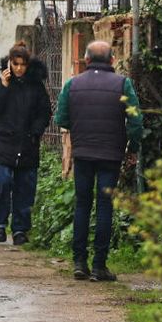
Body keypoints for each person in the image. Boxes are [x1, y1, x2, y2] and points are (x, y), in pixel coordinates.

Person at [53, 40, 142, 281]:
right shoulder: (123, 84)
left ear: (86, 60)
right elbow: (135, 123)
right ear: (112, 60)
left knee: (82, 204)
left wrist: (80, 131)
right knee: (105, 207)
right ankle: (99, 265)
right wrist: (132, 148)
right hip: (111, 155)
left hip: (82, 154)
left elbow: (61, 118)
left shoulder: (73, 84)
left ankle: (79, 263)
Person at [0, 43, 52, 246]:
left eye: (23, 64)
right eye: (16, 64)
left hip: (27, 143)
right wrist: (4, 87)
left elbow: (44, 112)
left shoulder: (36, 86)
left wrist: (35, 132)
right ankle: (0, 223)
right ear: (9, 64)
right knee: (2, 182)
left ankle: (20, 228)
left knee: (25, 187)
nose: (19, 68)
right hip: (4, 142)